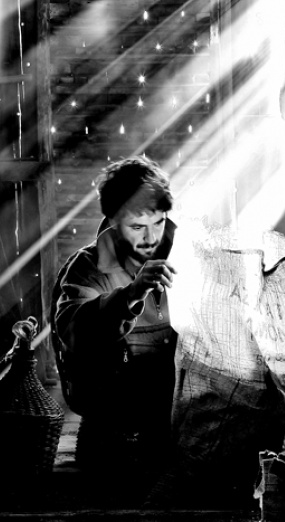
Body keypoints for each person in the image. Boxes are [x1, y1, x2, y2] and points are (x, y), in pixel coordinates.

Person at [53, 155, 178, 498]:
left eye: (158, 223)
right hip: (111, 413)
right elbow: (72, 331)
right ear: (112, 220)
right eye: (137, 227)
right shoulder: (87, 267)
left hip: (175, 411)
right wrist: (132, 293)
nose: (151, 238)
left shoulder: (185, 254)